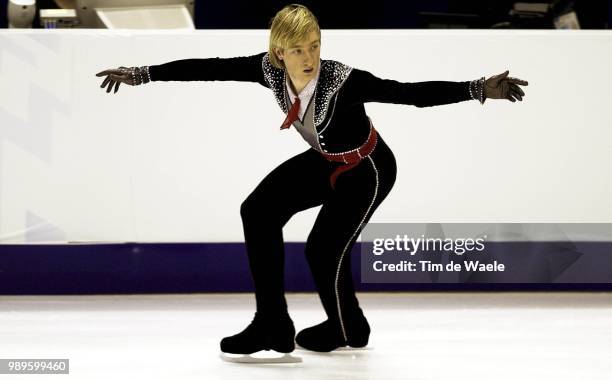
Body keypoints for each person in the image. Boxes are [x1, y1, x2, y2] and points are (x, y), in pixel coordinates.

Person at [96, 4, 528, 363]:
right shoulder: (267, 70)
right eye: (298, 49)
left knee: (322, 249)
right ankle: (272, 323)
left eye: (315, 46)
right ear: (278, 52)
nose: (309, 57)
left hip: (368, 168)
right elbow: (207, 67)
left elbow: (409, 93)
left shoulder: (344, 80)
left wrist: (477, 88)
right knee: (259, 210)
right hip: (325, 161)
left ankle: (346, 328)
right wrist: (143, 73)